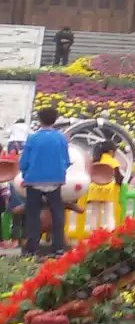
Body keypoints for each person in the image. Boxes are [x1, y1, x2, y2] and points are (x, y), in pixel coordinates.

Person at [19, 107, 71, 257]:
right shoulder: (61, 138)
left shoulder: (33, 138)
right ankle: (58, 247)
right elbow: (66, 160)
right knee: (57, 214)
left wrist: (25, 173)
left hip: (34, 179)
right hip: (55, 180)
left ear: (39, 120)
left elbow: (24, 161)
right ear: (55, 120)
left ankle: (32, 248)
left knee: (33, 215)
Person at [82, 144, 121, 234]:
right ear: (111, 151)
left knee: (94, 212)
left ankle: (93, 233)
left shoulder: (95, 160)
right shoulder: (113, 161)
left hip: (94, 188)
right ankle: (110, 232)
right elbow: (118, 176)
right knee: (109, 213)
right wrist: (120, 184)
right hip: (108, 189)